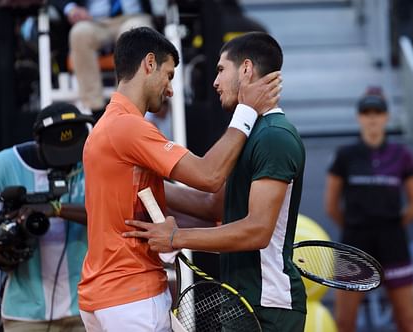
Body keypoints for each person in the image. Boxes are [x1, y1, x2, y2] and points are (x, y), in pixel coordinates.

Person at [78, 27, 281, 331]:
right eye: (169, 75)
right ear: (149, 64)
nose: (171, 89)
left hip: (103, 297)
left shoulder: (106, 128)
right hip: (131, 298)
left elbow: (208, 205)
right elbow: (209, 175)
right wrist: (247, 111)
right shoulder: (128, 128)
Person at [124, 31, 307, 332]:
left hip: (268, 304)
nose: (215, 82)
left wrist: (176, 238)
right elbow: (212, 206)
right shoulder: (251, 134)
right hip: (240, 299)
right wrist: (145, 185)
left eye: (221, 70)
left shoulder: (275, 136)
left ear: (246, 69)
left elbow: (257, 231)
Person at [0, 102, 93, 332]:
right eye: (59, 154)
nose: (68, 162)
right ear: (39, 142)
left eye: (72, 151)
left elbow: (110, 213)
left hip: (85, 307)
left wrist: (56, 208)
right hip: (25, 312)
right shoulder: (8, 164)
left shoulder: (93, 161)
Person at [324, 87, 413, 332]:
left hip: (393, 241)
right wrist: (356, 226)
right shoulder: (345, 155)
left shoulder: (402, 155)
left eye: (377, 112)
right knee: (345, 321)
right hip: (355, 241)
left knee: (407, 321)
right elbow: (331, 206)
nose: (372, 118)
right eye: (366, 113)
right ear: (359, 117)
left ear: (386, 117)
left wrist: (391, 226)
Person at [51, 0, 154, 118]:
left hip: (134, 16)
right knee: (79, 33)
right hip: (95, 20)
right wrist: (71, 8)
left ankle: (123, 110)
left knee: (136, 35)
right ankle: (96, 113)